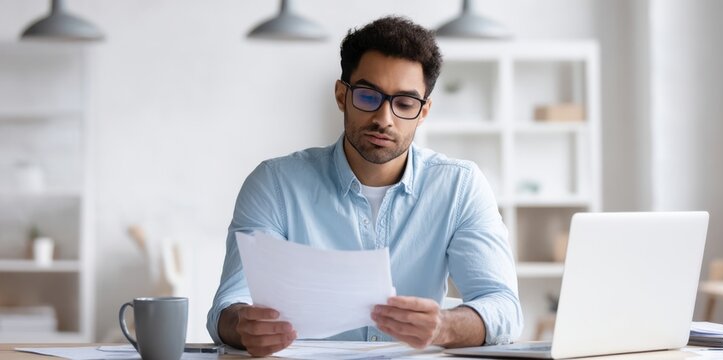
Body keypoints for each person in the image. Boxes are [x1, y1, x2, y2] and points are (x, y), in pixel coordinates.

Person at [206, 15, 522, 357]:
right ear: (342, 95)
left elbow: (504, 307)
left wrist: (444, 326)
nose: (384, 119)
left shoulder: (460, 186)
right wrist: (243, 325)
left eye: (404, 103)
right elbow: (228, 305)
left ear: (424, 111)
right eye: (369, 96)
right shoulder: (275, 184)